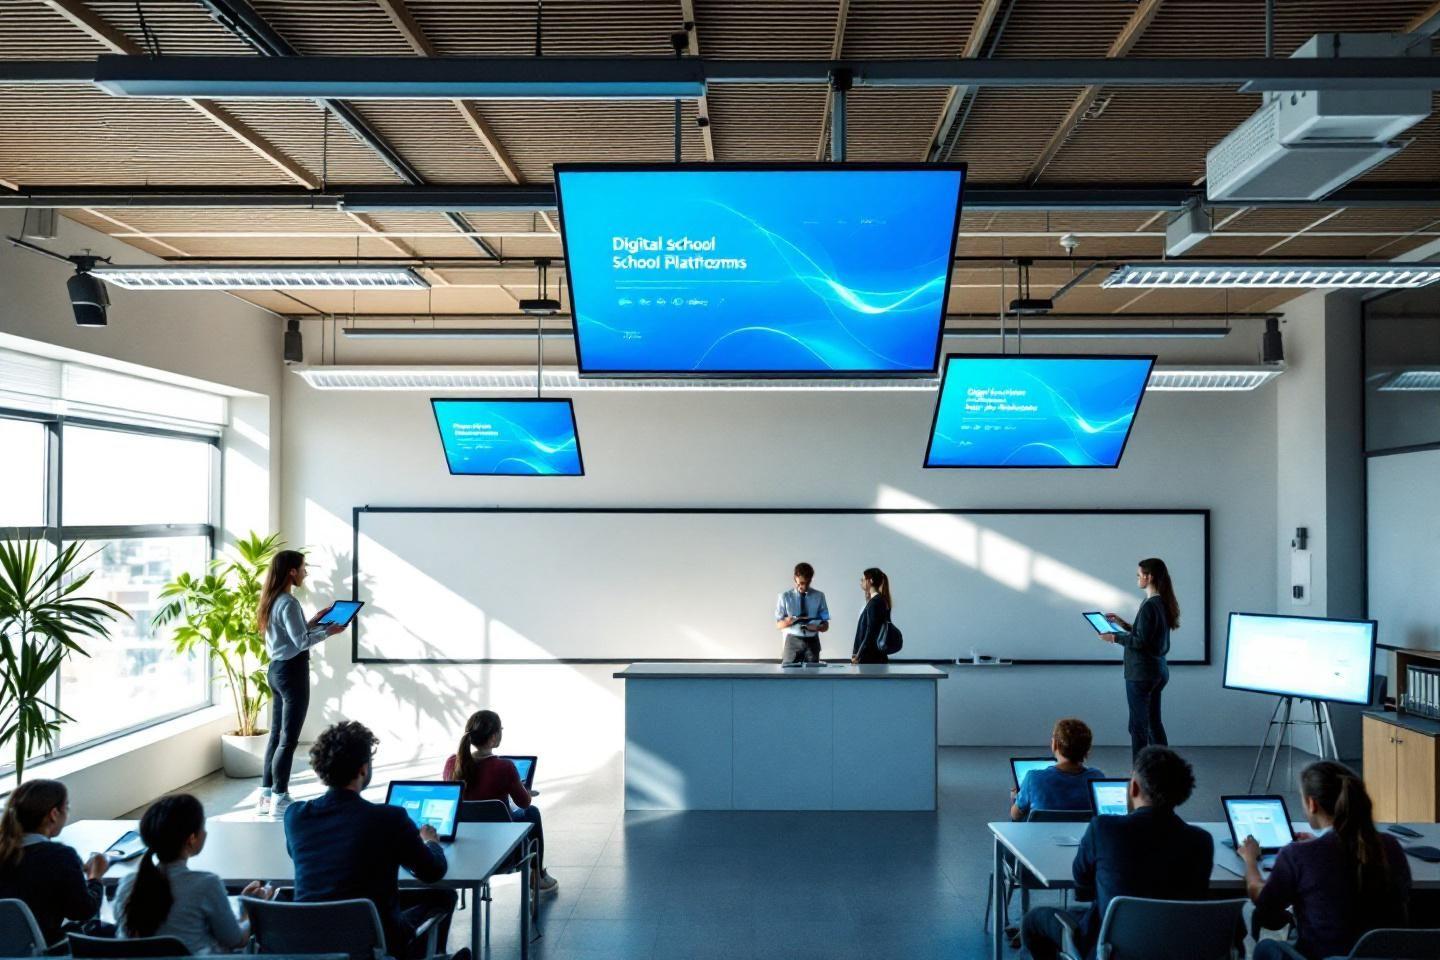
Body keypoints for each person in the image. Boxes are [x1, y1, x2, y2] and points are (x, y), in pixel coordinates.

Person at [285, 720, 459, 960]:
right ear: (363, 769)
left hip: (311, 940)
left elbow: (298, 854)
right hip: (375, 941)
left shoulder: (295, 816)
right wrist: (431, 842)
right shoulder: (389, 818)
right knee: (443, 895)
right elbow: (432, 871)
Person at [1021, 746, 1213, 960]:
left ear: (1134, 788)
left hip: (1112, 950)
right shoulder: (1201, 841)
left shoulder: (1104, 829)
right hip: (1177, 949)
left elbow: (1082, 887)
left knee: (1033, 921)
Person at [1239, 761, 1411, 960]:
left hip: (1322, 955)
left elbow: (1264, 901)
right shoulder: (1390, 846)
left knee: (1265, 948)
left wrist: (1250, 859)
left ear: (1312, 804)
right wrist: (1318, 844)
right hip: (1384, 956)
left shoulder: (1297, 854)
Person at [116, 794, 274, 953]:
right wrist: (250, 909)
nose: (205, 832)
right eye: (203, 827)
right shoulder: (206, 884)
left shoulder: (127, 885)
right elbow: (236, 940)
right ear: (192, 838)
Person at [256, 550, 345, 818]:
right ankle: (281, 798)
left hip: (276, 670)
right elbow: (301, 643)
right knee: (289, 739)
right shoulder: (289, 602)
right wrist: (330, 630)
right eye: (303, 567)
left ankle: (266, 794)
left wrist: (315, 622)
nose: (306, 572)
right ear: (292, 571)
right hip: (292, 673)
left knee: (276, 735)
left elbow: (291, 635)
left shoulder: (273, 599)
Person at [443, 709, 558, 893]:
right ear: (495, 737)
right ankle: (538, 876)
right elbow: (524, 803)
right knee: (532, 812)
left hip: (463, 849)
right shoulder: (504, 767)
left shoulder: (451, 763)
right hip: (500, 847)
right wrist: (524, 791)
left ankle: (538, 876)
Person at [0, 779, 109, 946]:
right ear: (54, 814)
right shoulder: (60, 856)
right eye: (67, 807)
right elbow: (82, 911)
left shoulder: (6, 852)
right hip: (44, 947)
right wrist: (95, 877)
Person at [1103, 558, 1178, 761]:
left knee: (1138, 726)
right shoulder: (1160, 602)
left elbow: (1140, 641)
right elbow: (1145, 634)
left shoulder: (1150, 605)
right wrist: (1123, 624)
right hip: (1157, 671)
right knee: (1153, 723)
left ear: (1149, 576)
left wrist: (1114, 637)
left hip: (1141, 674)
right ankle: (1164, 766)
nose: (1137, 579)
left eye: (1139, 575)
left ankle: (1140, 773)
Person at [1010, 718, 1107, 821]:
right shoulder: (1097, 777)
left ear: (1055, 744)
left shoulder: (1033, 778)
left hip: (1040, 836)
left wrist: (1016, 798)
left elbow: (1015, 815)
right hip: (1084, 836)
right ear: (1087, 748)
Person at [775, 561, 829, 664]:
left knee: (813, 676)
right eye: (800, 583)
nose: (803, 587)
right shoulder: (784, 597)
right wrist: (788, 622)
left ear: (811, 580)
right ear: (794, 578)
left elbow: (826, 625)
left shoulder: (819, 596)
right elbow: (778, 625)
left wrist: (817, 627)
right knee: (789, 676)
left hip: (812, 641)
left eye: (806, 583)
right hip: (792, 641)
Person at [850, 567, 892, 664]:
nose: (861, 582)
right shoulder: (877, 601)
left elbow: (870, 631)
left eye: (863, 579)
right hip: (873, 655)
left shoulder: (876, 602)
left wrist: (858, 655)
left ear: (871, 581)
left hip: (870, 657)